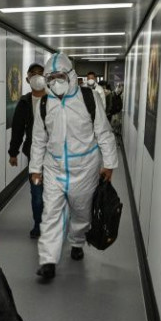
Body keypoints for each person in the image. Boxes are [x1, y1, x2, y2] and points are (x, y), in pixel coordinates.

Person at [29, 53, 119, 280]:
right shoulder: (44, 104)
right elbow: (38, 138)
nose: (55, 82)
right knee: (51, 213)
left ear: (70, 76)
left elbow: (104, 132)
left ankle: (77, 242)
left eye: (59, 76)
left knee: (81, 212)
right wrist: (35, 168)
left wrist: (109, 164)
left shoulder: (88, 98)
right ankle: (48, 260)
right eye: (50, 78)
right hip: (54, 167)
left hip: (85, 167)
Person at [8, 62, 46, 238]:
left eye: (40, 73)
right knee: (37, 193)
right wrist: (13, 152)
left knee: (56, 194)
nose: (37, 77)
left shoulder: (55, 99)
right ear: (27, 78)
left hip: (57, 158)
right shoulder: (24, 102)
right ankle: (38, 224)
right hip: (34, 157)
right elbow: (17, 129)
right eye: (34, 74)